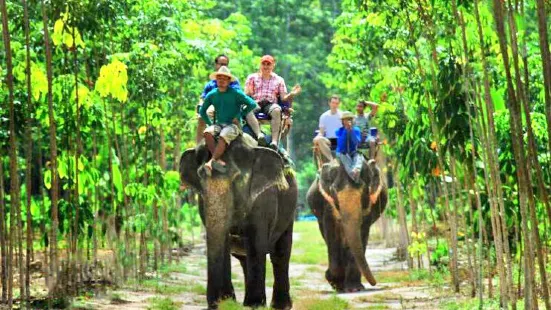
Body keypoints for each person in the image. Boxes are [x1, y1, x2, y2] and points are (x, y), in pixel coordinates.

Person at [200, 66, 259, 174]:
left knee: (224, 134)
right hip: (219, 124)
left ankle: (211, 162)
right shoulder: (212, 94)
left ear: (228, 81)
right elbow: (202, 111)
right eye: (219, 78)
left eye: (224, 78)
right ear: (216, 80)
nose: (221, 80)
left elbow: (252, 104)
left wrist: (240, 115)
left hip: (233, 126)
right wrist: (209, 124)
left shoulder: (235, 93)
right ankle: (217, 159)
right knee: (207, 132)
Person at [196, 54, 263, 143]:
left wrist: (239, 113)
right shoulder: (210, 84)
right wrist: (201, 105)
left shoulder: (234, 83)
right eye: (221, 64)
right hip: (214, 105)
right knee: (202, 116)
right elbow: (204, 97)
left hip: (232, 105)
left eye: (225, 64)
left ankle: (259, 135)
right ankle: (199, 145)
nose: (222, 80)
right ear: (216, 65)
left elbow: (239, 97)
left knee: (247, 111)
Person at [245, 55, 301, 150]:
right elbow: (246, 94)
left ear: (272, 66)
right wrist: (248, 92)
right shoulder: (252, 77)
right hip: (256, 102)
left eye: (268, 64)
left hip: (270, 104)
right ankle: (259, 135)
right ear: (260, 65)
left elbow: (283, 98)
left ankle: (274, 141)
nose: (266, 66)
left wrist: (292, 94)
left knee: (276, 110)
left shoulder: (279, 80)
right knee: (247, 109)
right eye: (264, 64)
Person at [335, 111, 364, 183]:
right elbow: (341, 145)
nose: (348, 121)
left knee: (359, 156)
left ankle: (356, 170)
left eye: (350, 119)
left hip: (353, 152)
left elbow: (356, 142)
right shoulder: (339, 131)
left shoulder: (356, 129)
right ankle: (353, 175)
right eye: (346, 119)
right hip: (342, 153)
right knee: (344, 158)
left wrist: (351, 131)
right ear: (342, 121)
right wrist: (345, 131)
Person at [313, 95, 342, 163]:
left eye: (336, 103)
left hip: (340, 139)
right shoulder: (324, 116)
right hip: (329, 140)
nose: (334, 105)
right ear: (329, 103)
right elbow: (321, 132)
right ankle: (331, 160)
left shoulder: (342, 115)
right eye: (333, 103)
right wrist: (317, 137)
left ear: (339, 104)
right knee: (319, 139)